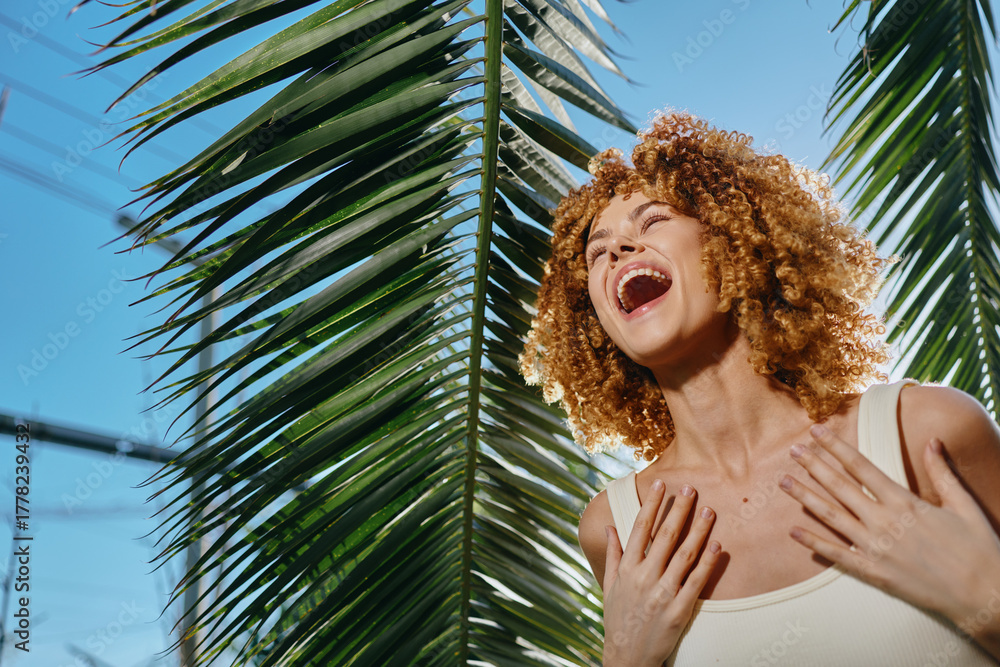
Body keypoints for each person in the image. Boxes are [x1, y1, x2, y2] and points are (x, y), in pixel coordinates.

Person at [519, 112, 1000, 665]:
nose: (618, 252)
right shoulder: (616, 529)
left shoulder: (925, 433)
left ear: (735, 241)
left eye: (651, 223)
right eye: (597, 253)